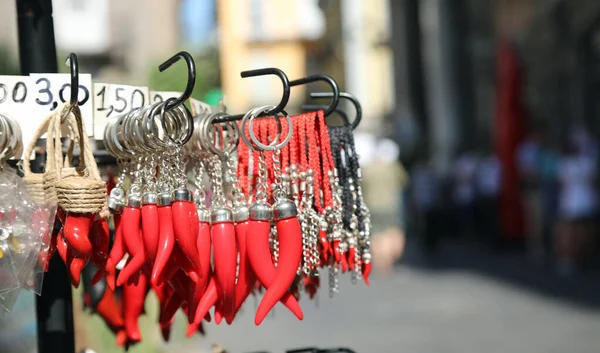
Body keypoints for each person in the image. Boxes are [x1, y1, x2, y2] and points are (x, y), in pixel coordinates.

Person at [555, 138, 598, 276]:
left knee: (575, 230)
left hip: (574, 201)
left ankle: (572, 257)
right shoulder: (586, 163)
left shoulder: (566, 163)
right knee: (577, 230)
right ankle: (573, 257)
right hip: (580, 201)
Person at [517, 130, 543, 262]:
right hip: (532, 189)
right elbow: (524, 172)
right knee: (533, 221)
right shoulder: (526, 150)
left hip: (543, 189)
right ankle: (535, 249)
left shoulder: (541, 149)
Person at [410, 155, 441, 253]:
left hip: (430, 203)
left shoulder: (431, 174)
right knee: (424, 225)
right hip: (423, 202)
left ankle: (430, 244)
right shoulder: (419, 174)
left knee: (431, 225)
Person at [474, 148, 502, 247]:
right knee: (487, 217)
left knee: (493, 218)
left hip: (492, 194)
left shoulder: (495, 163)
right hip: (486, 193)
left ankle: (493, 239)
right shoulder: (484, 164)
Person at [451, 149, 478, 239]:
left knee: (469, 214)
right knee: (462, 214)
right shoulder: (459, 163)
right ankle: (464, 233)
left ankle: (469, 232)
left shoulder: (470, 161)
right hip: (461, 193)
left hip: (469, 193)